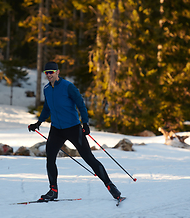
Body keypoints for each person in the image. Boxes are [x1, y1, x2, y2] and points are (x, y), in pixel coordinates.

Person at [28, 61, 122, 201]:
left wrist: (85, 123)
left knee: (88, 158)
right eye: (46, 72)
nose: (49, 75)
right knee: (50, 157)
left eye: (51, 72)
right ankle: (53, 190)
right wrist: (38, 123)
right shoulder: (47, 89)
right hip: (56, 129)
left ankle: (110, 186)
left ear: (57, 72)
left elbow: (80, 104)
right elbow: (47, 108)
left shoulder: (68, 87)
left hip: (73, 128)